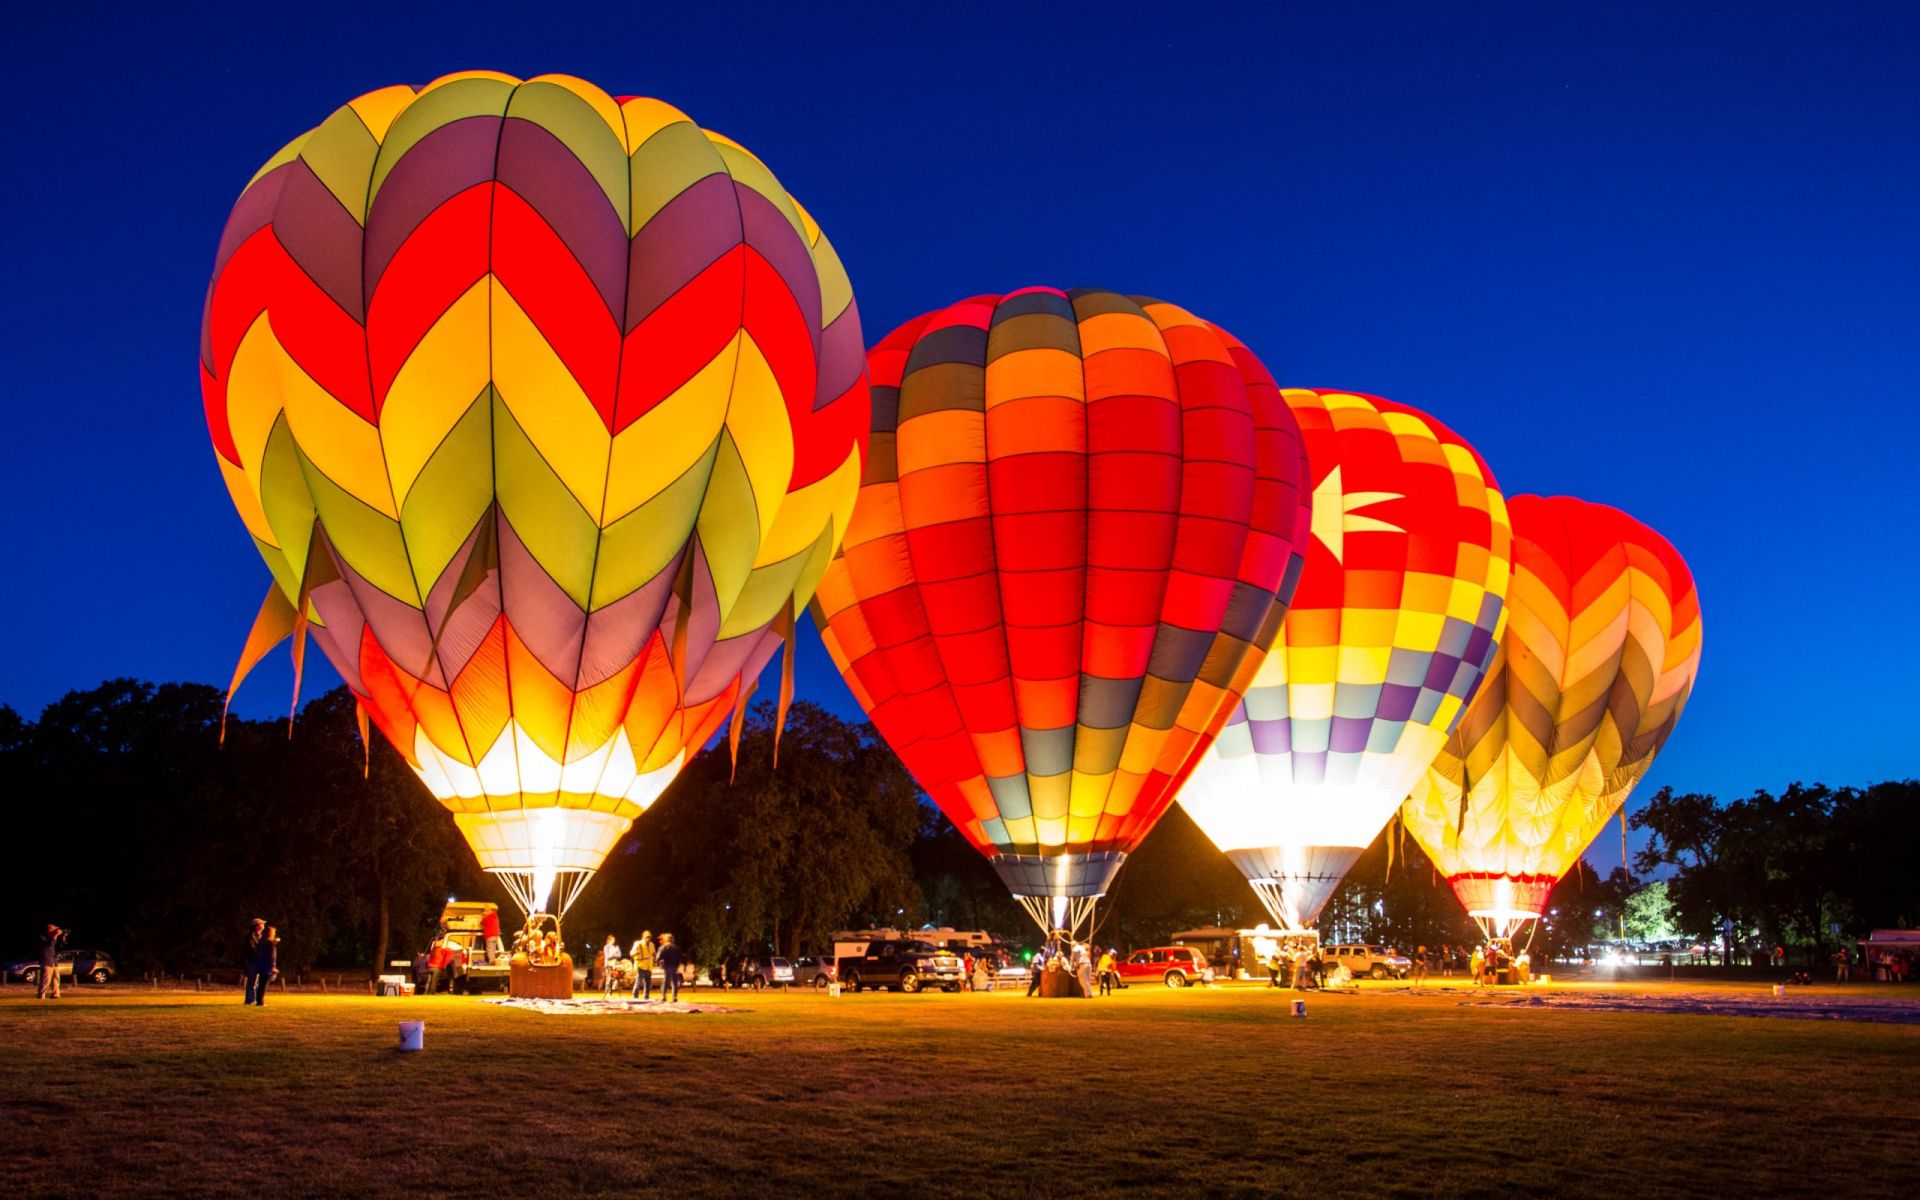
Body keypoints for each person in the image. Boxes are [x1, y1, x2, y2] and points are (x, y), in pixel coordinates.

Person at [244, 920, 277, 1005]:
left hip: (258, 962)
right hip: (252, 961)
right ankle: (250, 1000)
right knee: (252, 981)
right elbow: (250, 950)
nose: (263, 925)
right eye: (262, 924)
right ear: (257, 926)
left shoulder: (260, 936)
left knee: (258, 982)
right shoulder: (250, 936)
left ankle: (255, 999)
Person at [36, 923, 66, 1000]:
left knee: (56, 979)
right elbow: (50, 943)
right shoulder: (42, 937)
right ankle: (41, 995)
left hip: (53, 960)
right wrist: (55, 935)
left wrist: (63, 938)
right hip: (46, 961)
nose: (56, 931)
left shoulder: (52, 937)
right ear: (49, 930)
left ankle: (56, 994)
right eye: (54, 929)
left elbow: (60, 946)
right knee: (46, 980)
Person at [656, 934, 683, 1002]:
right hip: (674, 967)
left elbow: (658, 957)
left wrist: (658, 963)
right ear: (672, 940)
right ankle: (674, 997)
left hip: (666, 966)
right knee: (674, 982)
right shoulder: (677, 948)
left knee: (665, 981)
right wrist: (677, 965)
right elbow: (680, 958)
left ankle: (663, 996)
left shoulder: (663, 947)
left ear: (666, 939)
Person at [631, 931, 656, 1001]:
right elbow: (631, 953)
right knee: (638, 982)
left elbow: (654, 953)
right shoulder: (638, 943)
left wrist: (655, 959)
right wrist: (636, 952)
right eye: (646, 937)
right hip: (640, 966)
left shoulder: (651, 944)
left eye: (649, 937)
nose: (648, 939)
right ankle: (635, 997)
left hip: (649, 966)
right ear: (643, 937)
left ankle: (646, 996)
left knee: (648, 983)